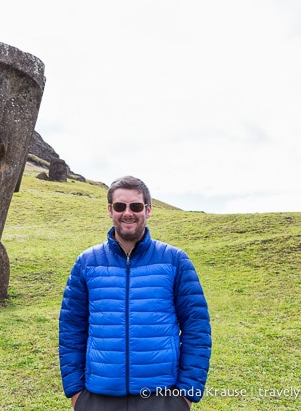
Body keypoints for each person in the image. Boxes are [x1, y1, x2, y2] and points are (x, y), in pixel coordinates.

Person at [59, 176, 211, 410]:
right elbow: (71, 329)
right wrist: (77, 394)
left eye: (136, 206)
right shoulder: (87, 262)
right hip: (98, 397)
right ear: (110, 210)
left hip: (163, 397)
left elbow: (197, 327)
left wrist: (186, 395)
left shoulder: (175, 260)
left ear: (148, 210)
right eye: (120, 206)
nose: (127, 213)